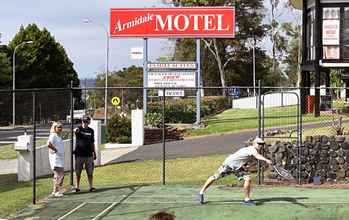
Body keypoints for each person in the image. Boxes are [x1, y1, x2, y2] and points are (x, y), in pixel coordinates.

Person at [198, 137, 272, 206]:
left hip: (238, 167)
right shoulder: (252, 149)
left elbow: (246, 160)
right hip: (228, 165)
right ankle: (201, 192)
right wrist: (266, 160)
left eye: (262, 144)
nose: (260, 145)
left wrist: (246, 166)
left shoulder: (252, 151)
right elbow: (257, 156)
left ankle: (247, 199)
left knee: (248, 179)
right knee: (215, 177)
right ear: (254, 143)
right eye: (259, 143)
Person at [73, 116, 97, 192]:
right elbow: (75, 130)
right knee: (78, 172)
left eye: (86, 121)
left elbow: (92, 142)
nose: (85, 123)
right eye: (83, 121)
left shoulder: (91, 131)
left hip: (89, 155)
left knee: (90, 172)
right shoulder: (79, 129)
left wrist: (94, 153)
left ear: (89, 122)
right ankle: (77, 187)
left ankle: (91, 186)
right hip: (79, 155)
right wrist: (75, 130)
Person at [47, 121, 65, 197]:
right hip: (55, 158)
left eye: (61, 127)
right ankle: (57, 191)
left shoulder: (59, 136)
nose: (60, 128)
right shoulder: (53, 135)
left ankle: (54, 191)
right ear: (55, 128)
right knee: (60, 175)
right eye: (58, 127)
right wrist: (55, 150)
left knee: (57, 175)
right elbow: (48, 144)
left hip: (60, 158)